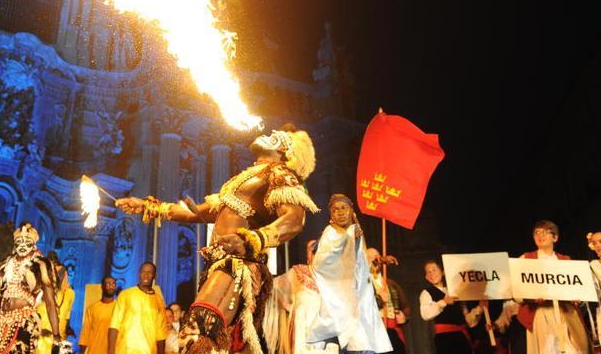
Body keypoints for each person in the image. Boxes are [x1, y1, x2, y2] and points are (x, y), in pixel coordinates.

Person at [116, 126, 319, 354]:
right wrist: (147, 206)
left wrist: (252, 239)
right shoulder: (244, 180)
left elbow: (294, 220)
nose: (266, 133)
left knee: (199, 328)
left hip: (240, 264)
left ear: (286, 151)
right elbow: (196, 212)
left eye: (275, 137)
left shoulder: (280, 173)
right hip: (218, 265)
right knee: (229, 342)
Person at [307, 194, 392, 354]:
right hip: (344, 302)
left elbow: (360, 264)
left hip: (363, 300)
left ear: (351, 211)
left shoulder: (355, 232)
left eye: (343, 208)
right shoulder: (330, 233)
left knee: (367, 342)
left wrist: (378, 261)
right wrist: (348, 239)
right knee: (356, 343)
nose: (340, 212)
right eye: (335, 210)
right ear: (331, 215)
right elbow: (321, 263)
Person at [0, 223, 63, 354]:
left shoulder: (40, 266)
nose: (22, 245)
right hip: (2, 322)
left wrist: (57, 337)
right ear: (14, 244)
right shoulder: (4, 265)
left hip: (25, 321)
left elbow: (50, 303)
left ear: (34, 245)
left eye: (27, 242)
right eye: (19, 241)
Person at [516, 220, 589, 354]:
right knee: (547, 349)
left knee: (571, 349)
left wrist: (577, 298)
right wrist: (530, 298)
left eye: (544, 232)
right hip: (541, 312)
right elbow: (516, 292)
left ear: (555, 237)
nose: (540, 236)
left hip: (564, 312)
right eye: (536, 233)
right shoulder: (525, 259)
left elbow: (577, 288)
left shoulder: (565, 260)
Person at [419, 259, 485, 354]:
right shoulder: (426, 293)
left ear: (443, 272)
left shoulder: (454, 291)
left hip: (462, 337)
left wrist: (480, 308)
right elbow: (425, 314)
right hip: (445, 339)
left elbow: (467, 320)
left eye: (434, 270)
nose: (432, 273)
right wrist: (443, 302)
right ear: (426, 277)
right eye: (428, 272)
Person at [107, 262, 167, 354]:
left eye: (150, 272)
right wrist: (111, 350)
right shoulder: (125, 295)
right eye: (143, 272)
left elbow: (161, 334)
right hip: (125, 350)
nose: (146, 275)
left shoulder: (159, 301)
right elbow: (114, 325)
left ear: (154, 276)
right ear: (139, 273)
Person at [365, 248, 409, 354]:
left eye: (377, 256)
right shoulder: (364, 282)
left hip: (392, 330)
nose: (375, 259)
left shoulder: (391, 283)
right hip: (374, 331)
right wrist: (380, 299)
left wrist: (404, 316)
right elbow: (363, 307)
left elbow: (405, 305)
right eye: (370, 257)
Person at [38, 254, 76, 354]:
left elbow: (67, 315)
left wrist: (68, 328)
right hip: (40, 338)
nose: (57, 275)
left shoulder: (70, 293)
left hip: (59, 338)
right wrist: (39, 329)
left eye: (61, 272)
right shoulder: (40, 290)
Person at [79, 277, 118, 354]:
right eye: (108, 283)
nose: (111, 286)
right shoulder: (92, 308)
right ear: (102, 286)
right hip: (95, 350)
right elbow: (85, 333)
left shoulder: (119, 307)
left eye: (113, 284)